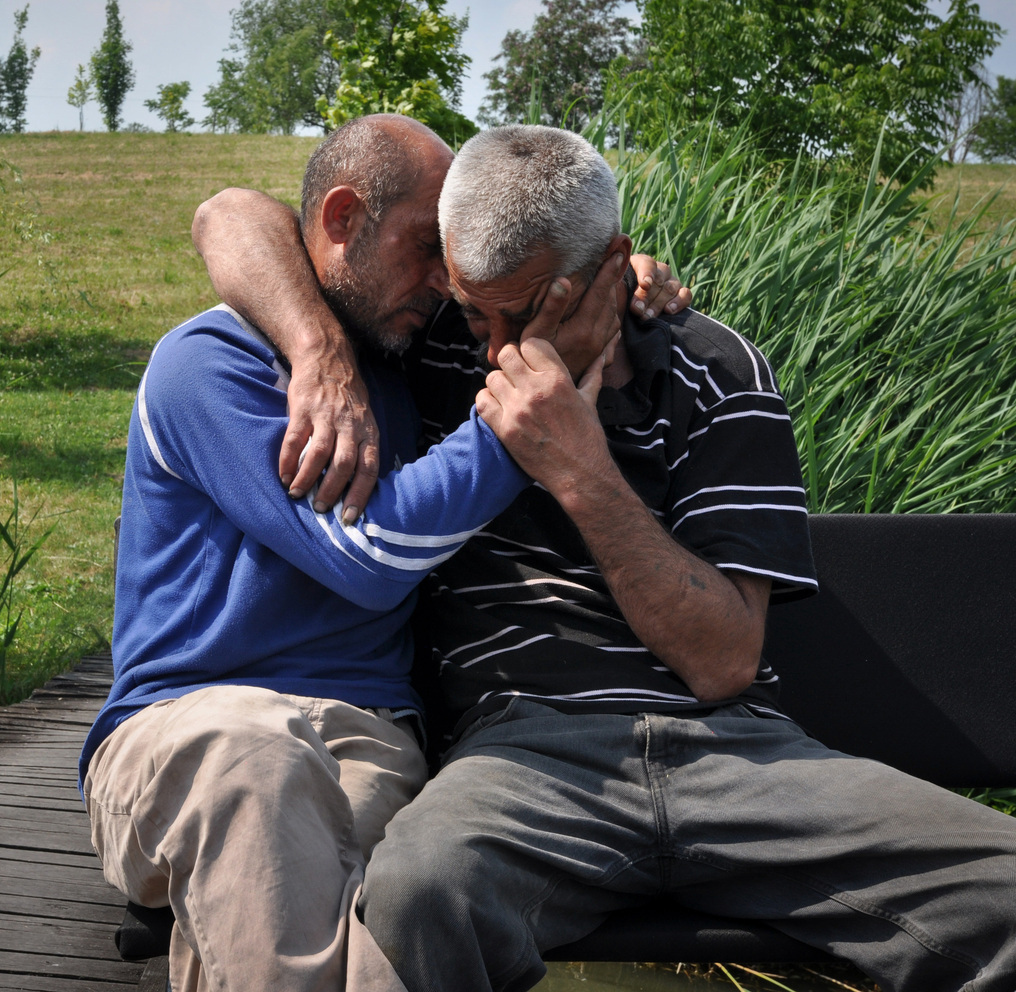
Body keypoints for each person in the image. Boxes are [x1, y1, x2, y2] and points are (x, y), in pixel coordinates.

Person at [197, 124, 1016, 992]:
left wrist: (579, 468)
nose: (489, 352)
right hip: (521, 757)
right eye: (471, 311)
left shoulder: (717, 371)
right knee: (417, 893)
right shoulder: (433, 344)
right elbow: (232, 215)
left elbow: (726, 659)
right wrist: (318, 342)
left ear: (608, 270)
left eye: (520, 315)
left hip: (740, 759)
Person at [81, 115, 657, 992]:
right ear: (343, 220)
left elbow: (532, 286)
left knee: (381, 918)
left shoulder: (405, 355)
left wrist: (619, 288)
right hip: (189, 730)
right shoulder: (206, 366)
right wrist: (527, 408)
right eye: (428, 247)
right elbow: (368, 555)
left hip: (368, 743)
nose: (444, 281)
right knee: (258, 759)